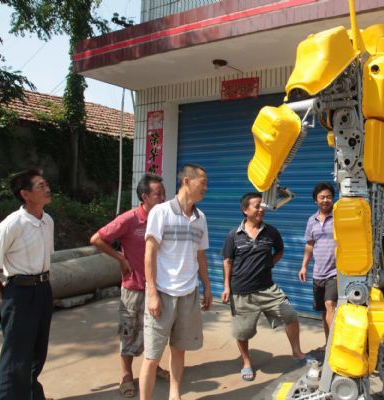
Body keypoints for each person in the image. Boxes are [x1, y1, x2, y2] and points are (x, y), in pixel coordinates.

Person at [90, 173, 169, 398]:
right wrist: (121, 258)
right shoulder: (129, 219)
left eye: (164, 193)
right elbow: (97, 239)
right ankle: (126, 374)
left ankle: (152, 366)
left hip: (158, 286)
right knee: (129, 331)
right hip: (134, 287)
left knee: (155, 330)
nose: (163, 198)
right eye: (158, 194)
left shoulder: (163, 218)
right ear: (144, 197)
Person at [138, 163, 213, 400]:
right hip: (162, 293)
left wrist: (207, 286)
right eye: (203, 183)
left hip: (188, 294)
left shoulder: (200, 219)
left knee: (179, 350)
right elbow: (149, 253)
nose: (206, 189)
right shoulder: (161, 213)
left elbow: (200, 255)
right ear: (187, 181)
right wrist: (152, 294)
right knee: (152, 357)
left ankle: (174, 394)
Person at [221, 192, 311, 382]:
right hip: (242, 291)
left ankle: (297, 352)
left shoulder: (271, 232)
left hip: (268, 289)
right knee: (242, 332)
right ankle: (246, 362)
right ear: (245, 210)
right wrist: (226, 287)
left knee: (290, 315)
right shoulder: (234, 235)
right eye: (256, 205)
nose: (261, 208)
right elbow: (227, 261)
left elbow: (280, 250)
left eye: (262, 205)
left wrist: (269, 263)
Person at [0, 169, 54, 400]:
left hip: (44, 290)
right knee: (16, 355)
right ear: (25, 194)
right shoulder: (11, 225)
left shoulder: (47, 220)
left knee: (38, 350)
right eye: (40, 186)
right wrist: (2, 293)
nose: (47, 188)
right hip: (19, 293)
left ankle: (32, 394)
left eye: (46, 184)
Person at [299, 182, 338, 349]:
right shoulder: (311, 221)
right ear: (316, 200)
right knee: (324, 311)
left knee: (331, 305)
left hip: (336, 271)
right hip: (318, 272)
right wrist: (304, 266)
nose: (325, 200)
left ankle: (334, 346)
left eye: (329, 197)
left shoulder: (339, 216)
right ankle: (328, 342)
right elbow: (309, 244)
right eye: (322, 197)